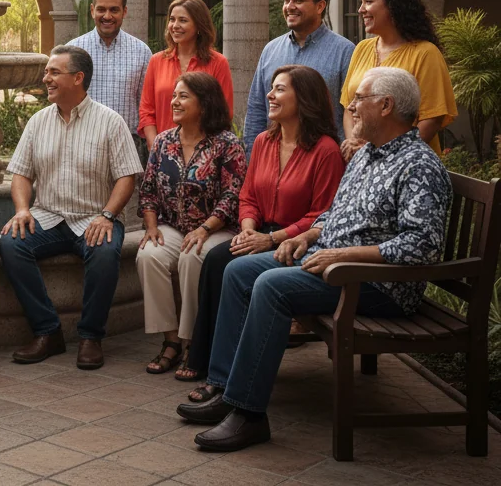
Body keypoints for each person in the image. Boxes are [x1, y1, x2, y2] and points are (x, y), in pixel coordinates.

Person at [175, 68, 452, 452]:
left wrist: (344, 255)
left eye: (359, 99)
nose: (351, 107)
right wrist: (307, 235)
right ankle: (224, 387)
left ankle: (248, 415)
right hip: (331, 263)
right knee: (237, 270)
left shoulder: (418, 165)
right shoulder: (366, 155)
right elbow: (334, 213)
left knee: (271, 287)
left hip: (377, 283)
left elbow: (423, 245)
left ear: (386, 106)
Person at [182, 65, 345, 394]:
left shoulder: (325, 150)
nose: (269, 95)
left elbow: (322, 214)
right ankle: (207, 359)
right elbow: (248, 195)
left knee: (234, 268)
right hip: (259, 232)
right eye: (272, 88)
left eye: (280, 89)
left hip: (296, 243)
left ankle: (228, 373)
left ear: (305, 98)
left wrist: (272, 238)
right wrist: (247, 229)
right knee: (216, 260)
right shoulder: (263, 141)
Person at [0, 45, 142, 370]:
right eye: (46, 72)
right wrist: (22, 210)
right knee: (10, 244)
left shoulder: (110, 121)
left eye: (54, 72)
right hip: (47, 217)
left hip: (94, 218)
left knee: (105, 252)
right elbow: (21, 174)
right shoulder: (37, 122)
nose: (46, 78)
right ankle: (47, 331)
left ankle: (91, 337)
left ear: (78, 78)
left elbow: (126, 177)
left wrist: (107, 215)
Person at [136, 72, 246, 379]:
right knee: (149, 256)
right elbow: (148, 190)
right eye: (174, 95)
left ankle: (193, 343)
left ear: (205, 103)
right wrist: (151, 226)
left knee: (193, 255)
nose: (174, 101)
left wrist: (205, 229)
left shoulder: (226, 144)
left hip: (218, 228)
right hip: (173, 225)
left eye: (183, 96)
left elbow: (233, 194)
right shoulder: (163, 141)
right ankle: (170, 340)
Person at [340, 0, 457, 158]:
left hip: (408, 163)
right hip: (363, 161)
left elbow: (432, 119)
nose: (361, 9)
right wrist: (355, 147)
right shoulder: (361, 48)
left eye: (368, 1)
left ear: (393, 5)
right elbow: (348, 107)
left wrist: (386, 156)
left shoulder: (425, 53)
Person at [242, 0, 355, 157]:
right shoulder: (271, 50)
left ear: (320, 6)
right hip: (275, 158)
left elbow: (351, 112)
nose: (290, 6)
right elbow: (257, 108)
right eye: (286, 0)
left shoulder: (345, 51)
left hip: (323, 160)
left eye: (298, 0)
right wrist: (253, 158)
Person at [66, 0, 152, 155]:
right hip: (82, 142)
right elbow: (64, 99)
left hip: (128, 144)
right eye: (101, 9)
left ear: (124, 11)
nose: (107, 16)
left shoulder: (142, 52)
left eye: (114, 10)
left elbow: (146, 105)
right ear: (92, 10)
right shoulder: (72, 51)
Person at [139, 0, 233, 147]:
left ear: (199, 25)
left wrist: (204, 152)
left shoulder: (218, 62)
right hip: (163, 150)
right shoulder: (156, 61)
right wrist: (156, 147)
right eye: (172, 19)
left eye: (183, 20)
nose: (175, 26)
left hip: (206, 151)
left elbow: (224, 113)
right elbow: (147, 111)